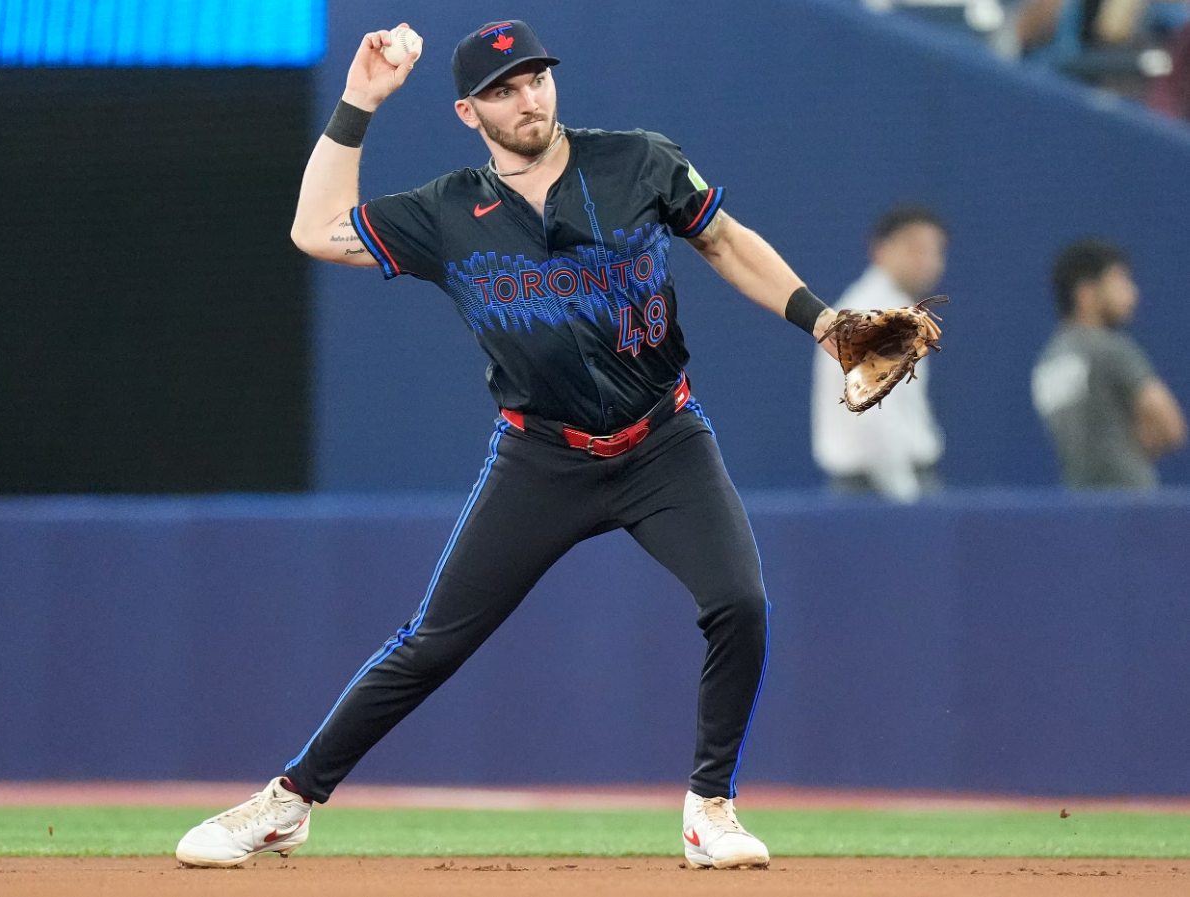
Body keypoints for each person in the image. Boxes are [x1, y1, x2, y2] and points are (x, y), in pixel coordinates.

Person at [176, 19, 844, 871]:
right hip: (542, 454)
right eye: (503, 89)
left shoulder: (636, 160)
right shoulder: (447, 211)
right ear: (467, 111)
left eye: (535, 78)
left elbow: (722, 239)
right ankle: (289, 800)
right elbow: (314, 229)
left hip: (661, 438)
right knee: (433, 641)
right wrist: (358, 102)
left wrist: (822, 320)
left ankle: (709, 808)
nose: (527, 97)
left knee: (740, 603)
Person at [811, 206, 949, 502]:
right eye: (915, 248)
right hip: (879, 489)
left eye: (935, 251)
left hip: (880, 484)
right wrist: (905, 496)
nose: (928, 261)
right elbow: (874, 413)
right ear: (881, 249)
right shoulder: (876, 314)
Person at [1032, 239, 1186, 490]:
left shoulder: (1047, 362)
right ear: (1085, 292)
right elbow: (1171, 426)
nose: (1132, 293)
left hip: (1081, 510)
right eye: (1120, 281)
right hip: (1132, 507)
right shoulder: (1110, 349)